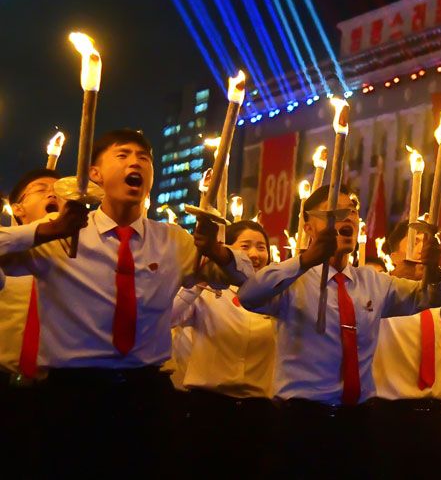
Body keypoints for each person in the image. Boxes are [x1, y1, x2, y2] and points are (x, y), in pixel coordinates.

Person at [0, 129, 253, 477]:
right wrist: (46, 232)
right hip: (73, 398)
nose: (136, 162)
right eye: (123, 155)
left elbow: (247, 281)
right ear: (94, 174)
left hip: (146, 396)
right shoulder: (60, 232)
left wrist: (219, 251)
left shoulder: (173, 241)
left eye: (144, 158)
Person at [238, 184, 441, 478]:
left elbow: (432, 297)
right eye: (335, 212)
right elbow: (249, 296)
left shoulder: (374, 283)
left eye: (351, 211)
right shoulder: (292, 281)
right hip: (302, 422)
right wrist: (306, 260)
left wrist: (434, 268)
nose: (347, 217)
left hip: (359, 422)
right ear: (309, 225)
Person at [171, 220, 277, 476]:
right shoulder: (208, 292)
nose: (254, 254)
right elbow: (169, 319)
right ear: (227, 250)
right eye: (245, 246)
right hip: (209, 411)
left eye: (261, 247)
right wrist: (199, 282)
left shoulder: (277, 297)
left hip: (258, 414)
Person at [371, 220, 441, 478]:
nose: (424, 247)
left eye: (429, 241)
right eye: (416, 241)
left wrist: (436, 274)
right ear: (394, 254)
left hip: (436, 420)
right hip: (387, 419)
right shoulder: (376, 292)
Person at [0, 168, 61, 479]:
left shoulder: (80, 256)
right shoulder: (7, 254)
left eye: (58, 189)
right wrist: (39, 232)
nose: (53, 193)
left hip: (58, 395)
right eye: (41, 189)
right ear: (18, 208)